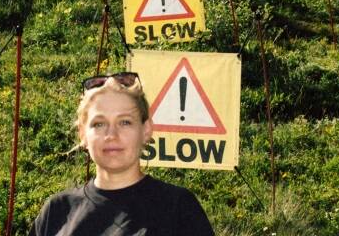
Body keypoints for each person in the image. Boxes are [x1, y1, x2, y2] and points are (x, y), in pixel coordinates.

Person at [32, 72, 216, 235]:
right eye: (99, 124)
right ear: (83, 134)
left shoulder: (178, 208)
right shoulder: (57, 211)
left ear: (146, 130)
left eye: (125, 122)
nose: (111, 135)